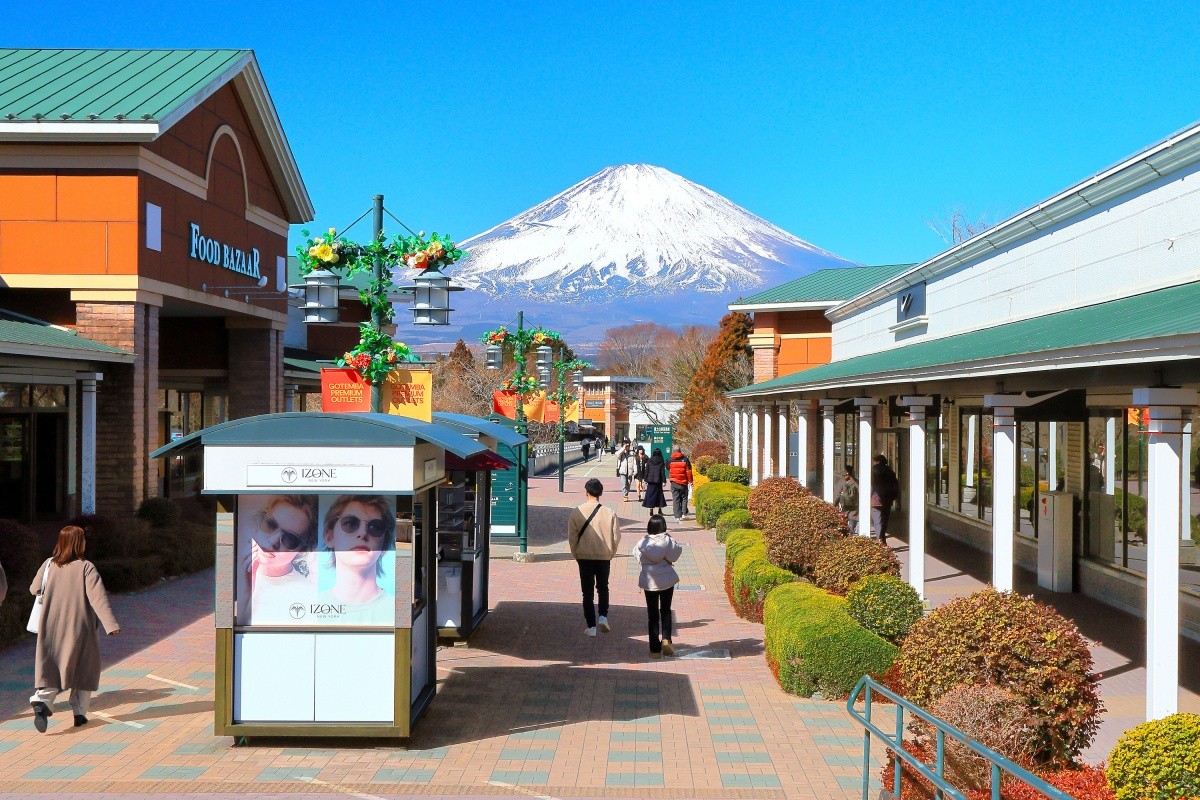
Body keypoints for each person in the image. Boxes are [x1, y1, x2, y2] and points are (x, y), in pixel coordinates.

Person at [29, 525, 120, 731]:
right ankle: (79, 713)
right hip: (80, 627)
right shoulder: (86, 567)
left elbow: (34, 588)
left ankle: (42, 702)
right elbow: (98, 599)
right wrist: (111, 624)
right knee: (83, 668)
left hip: (50, 627)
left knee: (51, 666)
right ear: (79, 543)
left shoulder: (48, 564)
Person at [236, 495, 319, 626]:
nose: (273, 541)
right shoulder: (234, 576)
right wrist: (245, 594)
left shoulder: (310, 595)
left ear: (302, 549)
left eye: (290, 539)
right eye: (270, 525)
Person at [318, 495, 396, 626]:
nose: (363, 533)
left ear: (384, 546)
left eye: (376, 527)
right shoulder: (311, 607)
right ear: (329, 537)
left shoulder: (396, 610)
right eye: (350, 523)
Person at [567, 478, 621, 636]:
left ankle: (591, 626)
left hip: (584, 556)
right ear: (600, 493)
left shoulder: (577, 512)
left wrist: (576, 553)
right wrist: (611, 552)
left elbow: (572, 537)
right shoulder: (609, 512)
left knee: (587, 592)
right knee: (603, 587)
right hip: (604, 556)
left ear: (586, 492)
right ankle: (603, 616)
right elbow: (616, 536)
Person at [633, 514, 683, 659]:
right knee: (666, 611)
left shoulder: (642, 542)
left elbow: (637, 557)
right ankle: (666, 639)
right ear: (663, 526)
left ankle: (654, 649)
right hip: (666, 580)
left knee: (652, 614)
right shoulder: (668, 540)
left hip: (649, 582)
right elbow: (675, 555)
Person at [871, 455, 900, 543]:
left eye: (874, 461)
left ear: (877, 461)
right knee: (884, 519)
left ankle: (879, 538)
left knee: (877, 520)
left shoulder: (873, 471)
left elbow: (871, 485)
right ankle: (882, 538)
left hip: (876, 498)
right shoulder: (890, 472)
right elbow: (895, 486)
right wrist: (893, 497)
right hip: (887, 499)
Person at [668, 446, 694, 522]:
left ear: (673, 450)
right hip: (683, 482)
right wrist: (691, 481)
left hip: (674, 482)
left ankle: (677, 516)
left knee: (675, 499)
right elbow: (688, 471)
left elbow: (668, 468)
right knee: (684, 498)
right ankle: (684, 514)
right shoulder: (685, 459)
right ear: (680, 450)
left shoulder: (669, 459)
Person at [642, 448, 668, 516]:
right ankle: (659, 510)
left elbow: (647, 470)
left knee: (650, 495)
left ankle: (651, 510)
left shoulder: (649, 460)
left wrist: (645, 479)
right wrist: (664, 481)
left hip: (650, 481)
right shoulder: (661, 460)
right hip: (658, 481)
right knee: (659, 496)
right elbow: (662, 472)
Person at [836, 467, 859, 534]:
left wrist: (835, 504)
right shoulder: (856, 481)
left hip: (844, 504)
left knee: (844, 516)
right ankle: (851, 530)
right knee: (853, 516)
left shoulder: (841, 482)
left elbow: (837, 495)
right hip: (854, 503)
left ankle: (845, 532)